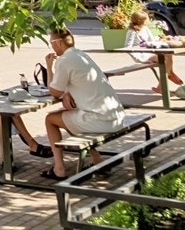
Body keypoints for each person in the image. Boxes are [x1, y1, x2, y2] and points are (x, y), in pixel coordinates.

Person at [41, 27, 127, 180]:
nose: (52, 46)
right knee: (70, 118)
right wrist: (67, 92)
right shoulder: (81, 55)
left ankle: (59, 168)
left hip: (100, 120)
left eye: (52, 43)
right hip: (116, 116)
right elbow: (74, 82)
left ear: (59, 43)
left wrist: (48, 67)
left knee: (50, 119)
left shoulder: (64, 61)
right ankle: (97, 160)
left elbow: (54, 91)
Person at [126, 10, 183, 88]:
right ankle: (161, 86)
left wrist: (162, 39)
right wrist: (140, 59)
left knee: (169, 54)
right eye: (147, 18)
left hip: (150, 52)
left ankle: (170, 73)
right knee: (165, 61)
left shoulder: (145, 29)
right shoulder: (132, 32)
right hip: (142, 55)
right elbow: (127, 47)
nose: (149, 19)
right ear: (141, 20)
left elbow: (152, 41)